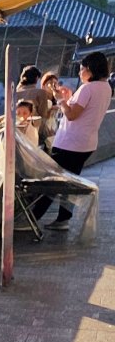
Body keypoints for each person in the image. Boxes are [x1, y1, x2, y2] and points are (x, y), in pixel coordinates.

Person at [39, 52, 112, 225]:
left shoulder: (88, 88)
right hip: (86, 143)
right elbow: (85, 111)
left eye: (82, 69)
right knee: (70, 181)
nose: (80, 73)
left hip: (70, 144)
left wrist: (60, 100)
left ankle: (32, 217)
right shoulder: (106, 87)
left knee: (52, 182)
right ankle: (63, 219)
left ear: (91, 69)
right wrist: (69, 97)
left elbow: (71, 115)